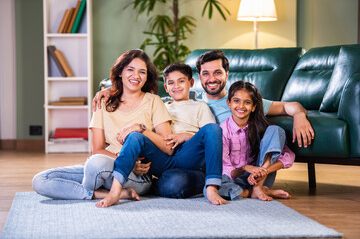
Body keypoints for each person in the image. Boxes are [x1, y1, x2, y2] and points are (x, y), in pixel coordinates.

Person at [93, 50, 314, 198]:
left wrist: (300, 115)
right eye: (206, 74)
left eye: (217, 72)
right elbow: (139, 94)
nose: (212, 78)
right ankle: (242, 190)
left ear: (227, 74)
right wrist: (110, 90)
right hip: (190, 160)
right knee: (172, 183)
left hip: (231, 164)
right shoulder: (188, 99)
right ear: (198, 79)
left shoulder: (242, 100)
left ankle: (247, 186)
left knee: (271, 129)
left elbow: (289, 106)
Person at [32, 49, 171, 200]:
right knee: (40, 180)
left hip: (137, 175)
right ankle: (102, 194)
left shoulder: (154, 101)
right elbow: (97, 150)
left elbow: (167, 147)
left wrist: (130, 162)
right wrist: (122, 160)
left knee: (94, 165)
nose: (136, 76)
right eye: (130, 69)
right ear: (120, 72)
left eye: (142, 72)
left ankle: (87, 189)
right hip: (104, 164)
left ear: (147, 77)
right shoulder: (103, 101)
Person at [95, 62, 227, 207]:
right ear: (166, 87)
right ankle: (115, 191)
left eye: (181, 81)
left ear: (191, 83)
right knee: (135, 136)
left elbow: (209, 139)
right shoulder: (158, 104)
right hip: (163, 156)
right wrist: (110, 89)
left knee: (213, 129)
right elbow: (133, 90)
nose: (176, 86)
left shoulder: (200, 106)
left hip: (188, 154)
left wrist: (186, 136)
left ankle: (212, 187)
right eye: (171, 83)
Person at [218, 81, 294, 201]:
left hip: (262, 178)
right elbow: (227, 172)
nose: (241, 106)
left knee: (276, 130)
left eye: (247, 102)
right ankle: (255, 192)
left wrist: (262, 172)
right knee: (214, 186)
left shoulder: (261, 127)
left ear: (254, 107)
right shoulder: (223, 131)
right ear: (229, 103)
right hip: (235, 181)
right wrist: (245, 168)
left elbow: (288, 156)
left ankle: (258, 187)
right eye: (236, 101)